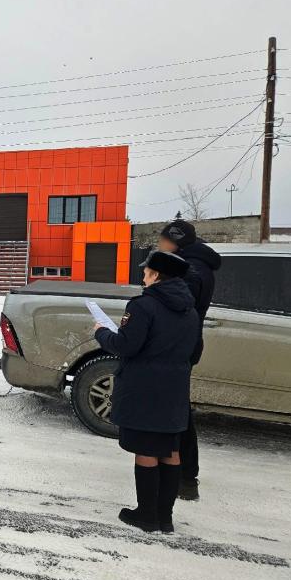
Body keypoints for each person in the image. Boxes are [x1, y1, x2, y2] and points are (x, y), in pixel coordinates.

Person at [94, 251, 199, 533]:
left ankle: (146, 515)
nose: (143, 275)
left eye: (146, 271)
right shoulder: (190, 309)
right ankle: (164, 518)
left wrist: (102, 333)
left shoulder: (143, 306)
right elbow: (196, 351)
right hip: (175, 389)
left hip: (144, 388)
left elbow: (127, 346)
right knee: (170, 450)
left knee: (146, 451)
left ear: (156, 275)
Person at [157, 219, 222, 501]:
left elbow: (178, 309)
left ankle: (183, 476)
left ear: (176, 240)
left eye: (163, 240)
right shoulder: (196, 265)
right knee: (176, 409)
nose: (159, 244)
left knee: (176, 412)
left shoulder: (190, 271)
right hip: (184, 345)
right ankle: (179, 473)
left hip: (177, 347)